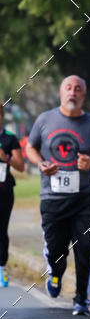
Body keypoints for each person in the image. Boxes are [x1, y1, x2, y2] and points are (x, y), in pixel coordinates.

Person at [26, 76, 90, 316]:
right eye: (68, 87)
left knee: (86, 247)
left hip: (85, 198)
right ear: (61, 92)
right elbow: (30, 147)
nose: (73, 92)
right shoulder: (45, 120)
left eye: (78, 88)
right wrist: (40, 164)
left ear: (83, 95)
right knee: (57, 250)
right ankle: (55, 274)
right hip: (53, 198)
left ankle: (81, 300)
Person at [0, 105, 25, 286]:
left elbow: (21, 166)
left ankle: (2, 268)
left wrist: (6, 157)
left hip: (4, 190)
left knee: (1, 229)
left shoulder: (9, 139)